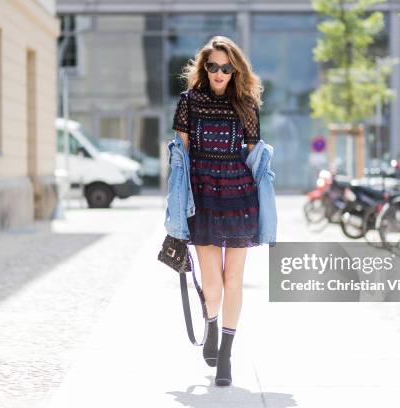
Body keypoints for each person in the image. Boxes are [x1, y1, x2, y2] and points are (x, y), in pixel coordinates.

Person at [172, 35, 264, 387]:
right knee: (212, 283)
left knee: (233, 281)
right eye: (214, 66)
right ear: (204, 67)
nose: (220, 73)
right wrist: (176, 209)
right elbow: (179, 161)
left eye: (227, 67)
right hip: (202, 196)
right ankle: (210, 324)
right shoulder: (188, 103)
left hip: (239, 195)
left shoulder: (246, 106)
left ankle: (225, 354)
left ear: (235, 69)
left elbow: (255, 158)